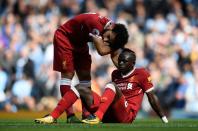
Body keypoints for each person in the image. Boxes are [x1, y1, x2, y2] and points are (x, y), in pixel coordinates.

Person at [36, 12, 129, 122]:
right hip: (65, 38)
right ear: (111, 27)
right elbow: (101, 51)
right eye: (108, 37)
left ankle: (86, 114)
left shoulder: (112, 29)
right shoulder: (96, 24)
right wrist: (115, 47)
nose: (106, 40)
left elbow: (112, 53)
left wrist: (125, 71)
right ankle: (70, 116)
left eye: (109, 40)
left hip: (80, 42)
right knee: (68, 75)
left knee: (85, 77)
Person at [82, 48, 168, 124]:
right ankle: (78, 116)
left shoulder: (142, 74)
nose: (121, 63)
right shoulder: (115, 74)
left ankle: (97, 117)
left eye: (124, 61)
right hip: (114, 113)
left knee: (111, 85)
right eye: (120, 61)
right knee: (82, 88)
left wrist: (163, 117)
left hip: (127, 115)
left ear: (132, 63)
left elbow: (152, 97)